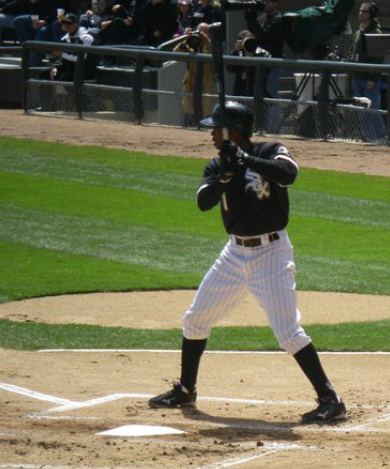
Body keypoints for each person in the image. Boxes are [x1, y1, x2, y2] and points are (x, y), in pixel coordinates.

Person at [148, 101, 348, 424]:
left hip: (271, 253)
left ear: (233, 131)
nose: (211, 134)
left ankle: (331, 400)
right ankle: (186, 389)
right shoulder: (217, 165)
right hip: (234, 254)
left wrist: (245, 159)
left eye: (216, 128)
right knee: (195, 320)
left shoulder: (270, 150)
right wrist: (225, 176)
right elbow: (203, 202)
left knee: (287, 332)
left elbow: (290, 174)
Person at [348, 1, 385, 142]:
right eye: (360, 11)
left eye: (365, 11)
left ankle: (380, 137)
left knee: (373, 110)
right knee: (362, 112)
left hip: (369, 79)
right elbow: (352, 52)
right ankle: (368, 137)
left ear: (372, 14)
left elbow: (378, 58)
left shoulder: (376, 33)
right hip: (357, 76)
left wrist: (373, 78)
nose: (361, 13)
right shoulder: (358, 33)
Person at [173, 22, 216, 126]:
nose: (200, 34)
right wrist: (185, 39)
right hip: (190, 86)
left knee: (206, 115)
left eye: (204, 32)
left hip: (207, 86)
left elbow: (214, 59)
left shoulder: (213, 45)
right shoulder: (191, 46)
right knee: (189, 116)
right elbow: (175, 52)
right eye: (199, 32)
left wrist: (207, 42)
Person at [244, 0, 283, 99]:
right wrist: (250, 18)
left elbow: (264, 35)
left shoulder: (278, 18)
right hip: (261, 59)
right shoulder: (262, 17)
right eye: (263, 1)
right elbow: (254, 31)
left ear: (275, 3)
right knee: (259, 92)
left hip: (273, 61)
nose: (264, 4)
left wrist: (253, 21)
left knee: (271, 93)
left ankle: (275, 116)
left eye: (267, 1)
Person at [227, 30, 270, 97]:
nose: (248, 43)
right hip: (240, 93)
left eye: (250, 40)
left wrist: (252, 57)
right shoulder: (239, 53)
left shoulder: (262, 53)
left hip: (257, 93)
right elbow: (230, 68)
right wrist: (235, 51)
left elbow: (266, 69)